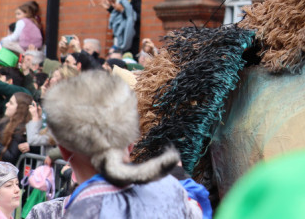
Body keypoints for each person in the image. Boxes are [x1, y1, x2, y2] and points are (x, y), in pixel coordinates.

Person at [43, 70, 202, 218]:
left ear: (64, 151)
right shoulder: (177, 206)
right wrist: (178, 182)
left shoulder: (46, 213)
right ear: (131, 144)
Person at [0, 91, 33, 164]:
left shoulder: (21, 130)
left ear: (20, 109)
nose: (6, 105)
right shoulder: (3, 123)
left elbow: (10, 158)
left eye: (11, 103)